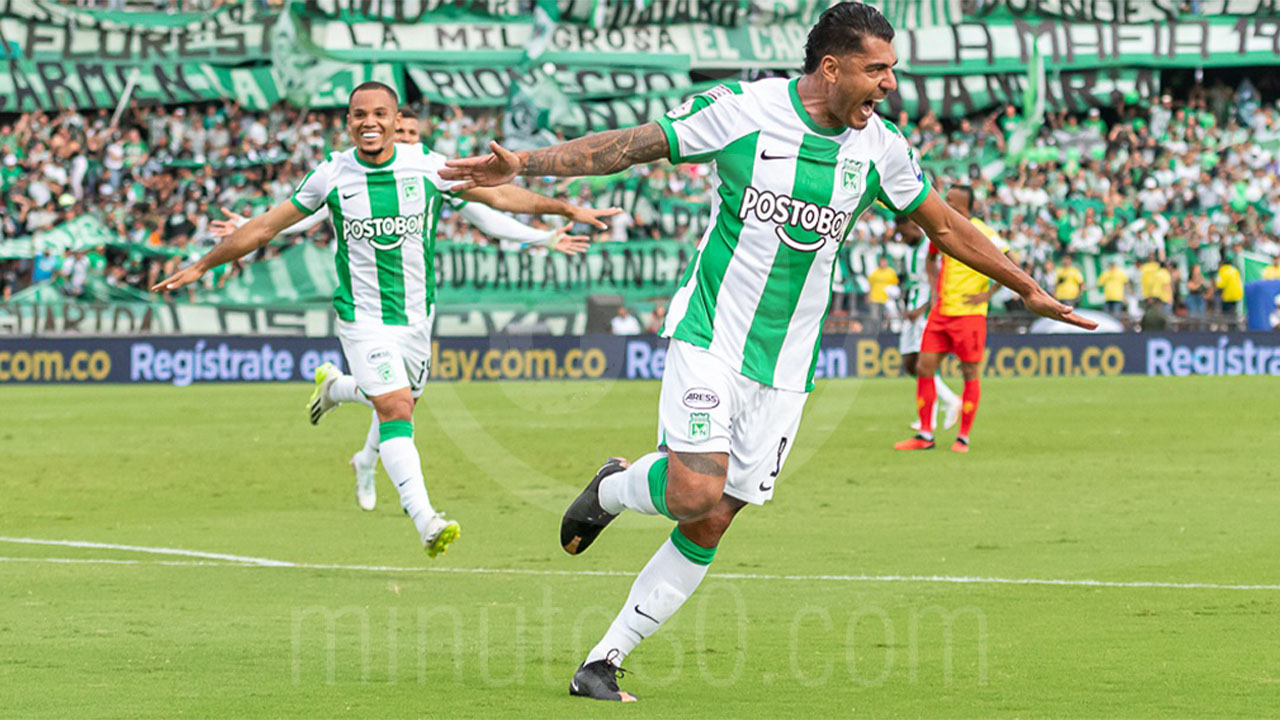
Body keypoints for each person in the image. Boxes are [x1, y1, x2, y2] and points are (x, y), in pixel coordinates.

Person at [441, 2, 1090, 702]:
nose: (890, 84)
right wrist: (528, 163)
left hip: (786, 366)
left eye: (893, 70)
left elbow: (946, 226)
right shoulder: (743, 110)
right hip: (711, 335)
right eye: (876, 69)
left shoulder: (882, 149)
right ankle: (614, 490)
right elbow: (630, 146)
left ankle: (604, 659)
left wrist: (1026, 287)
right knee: (694, 488)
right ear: (831, 67)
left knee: (713, 517)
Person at [153, 81, 619, 559]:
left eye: (379, 114)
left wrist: (566, 209)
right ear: (348, 122)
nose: (369, 122)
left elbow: (498, 200)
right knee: (397, 408)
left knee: (401, 399)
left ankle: (335, 388)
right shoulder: (331, 175)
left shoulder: (428, 167)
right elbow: (267, 226)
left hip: (417, 319)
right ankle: (426, 519)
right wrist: (203, 265)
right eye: (359, 115)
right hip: (361, 319)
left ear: (397, 122)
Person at [894, 184, 1008, 454]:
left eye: (950, 200)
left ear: (965, 204)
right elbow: (931, 259)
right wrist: (934, 288)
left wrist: (987, 295)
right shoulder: (942, 227)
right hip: (941, 313)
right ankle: (925, 434)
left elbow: (1010, 263)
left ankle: (963, 437)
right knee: (924, 367)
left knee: (969, 373)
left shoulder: (985, 232)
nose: (945, 202)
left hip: (969, 316)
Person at [895, 217, 960, 431]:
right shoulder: (908, 248)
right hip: (912, 310)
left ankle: (930, 418)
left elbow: (937, 281)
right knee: (909, 363)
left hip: (925, 311)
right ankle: (949, 400)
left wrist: (923, 308)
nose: (902, 238)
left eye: (904, 233)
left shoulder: (928, 249)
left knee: (925, 365)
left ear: (912, 227)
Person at [866, 254, 898, 331]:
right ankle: (874, 331)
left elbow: (895, 286)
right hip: (875, 298)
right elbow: (870, 284)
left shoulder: (891, 272)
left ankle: (886, 331)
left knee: (887, 317)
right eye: (882, 262)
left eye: (885, 262)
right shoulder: (875, 272)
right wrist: (868, 295)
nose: (883, 263)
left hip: (887, 299)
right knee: (875, 317)